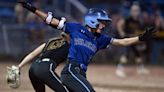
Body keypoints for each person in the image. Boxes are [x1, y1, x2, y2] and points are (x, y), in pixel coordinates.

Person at [19, 1, 156, 92]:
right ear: (92, 21)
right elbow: (51, 21)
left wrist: (140, 38)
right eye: (101, 22)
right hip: (71, 72)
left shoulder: (100, 39)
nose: (104, 26)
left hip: (81, 74)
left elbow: (122, 42)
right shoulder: (75, 29)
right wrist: (32, 9)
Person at [116, 4, 150, 78]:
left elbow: (139, 31)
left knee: (137, 53)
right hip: (127, 38)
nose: (135, 12)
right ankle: (119, 69)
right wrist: (121, 32)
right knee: (126, 54)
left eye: (136, 10)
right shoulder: (128, 18)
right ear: (131, 11)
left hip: (133, 39)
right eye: (134, 10)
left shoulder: (139, 21)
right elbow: (119, 24)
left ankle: (140, 68)